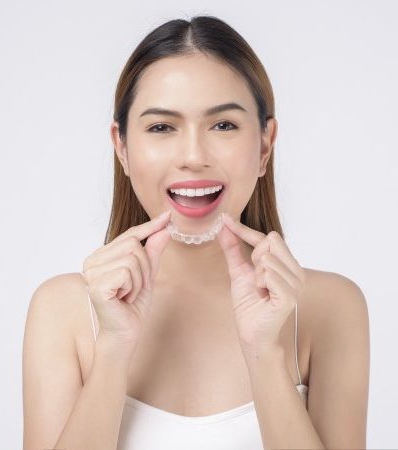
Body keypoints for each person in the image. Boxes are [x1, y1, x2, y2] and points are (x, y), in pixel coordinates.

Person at [22, 15, 369, 450]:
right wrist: (113, 348)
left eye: (223, 125)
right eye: (161, 127)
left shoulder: (330, 308)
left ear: (264, 145)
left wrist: (265, 354)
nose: (192, 156)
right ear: (122, 148)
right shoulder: (63, 311)